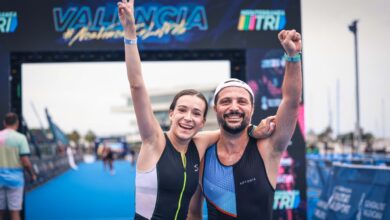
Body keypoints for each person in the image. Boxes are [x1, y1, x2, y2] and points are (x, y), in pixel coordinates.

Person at [117, 1, 275, 219]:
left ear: (202, 122)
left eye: (196, 113)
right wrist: (130, 34)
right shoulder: (154, 141)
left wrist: (253, 130)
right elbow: (136, 85)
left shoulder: (198, 145)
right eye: (182, 110)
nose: (188, 118)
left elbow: (233, 128)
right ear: (171, 113)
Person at [188, 29, 303, 219]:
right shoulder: (201, 156)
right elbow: (193, 213)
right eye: (226, 102)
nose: (234, 107)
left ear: (252, 108)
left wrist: (292, 56)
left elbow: (291, 100)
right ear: (215, 108)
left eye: (241, 102)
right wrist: (252, 130)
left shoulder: (268, 148)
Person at [0, 112, 37, 220]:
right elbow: (25, 161)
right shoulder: (21, 138)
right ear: (17, 124)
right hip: (15, 180)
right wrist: (32, 174)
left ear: (4, 123)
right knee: (14, 212)